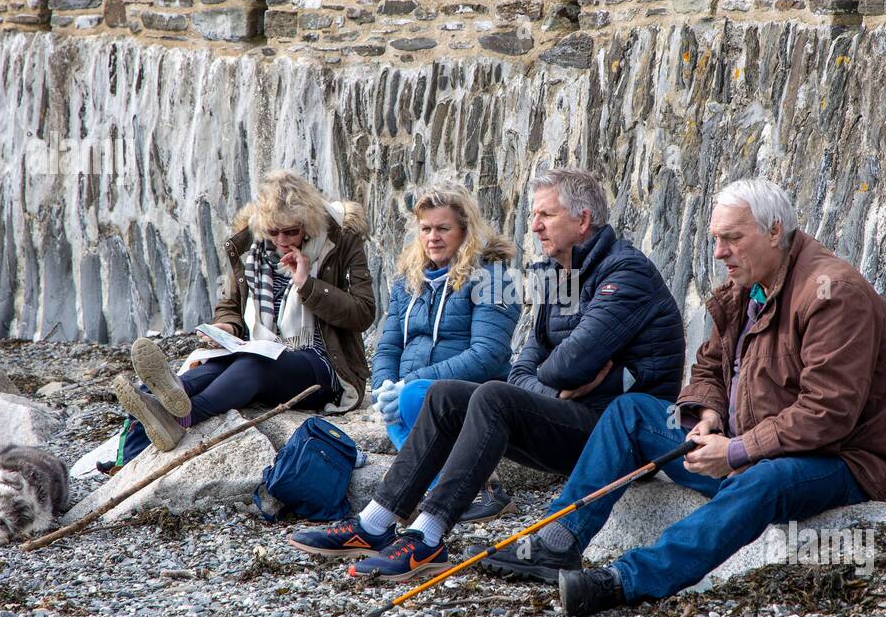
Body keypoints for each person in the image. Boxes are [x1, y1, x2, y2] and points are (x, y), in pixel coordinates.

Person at [482, 177, 886, 616]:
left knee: (761, 480)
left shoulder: (832, 293)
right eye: (715, 239)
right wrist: (708, 415)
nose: (720, 252)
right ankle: (560, 540)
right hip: (746, 441)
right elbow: (708, 368)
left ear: (775, 231)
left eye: (732, 239)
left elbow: (827, 414)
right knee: (631, 411)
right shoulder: (749, 285)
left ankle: (627, 579)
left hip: (840, 461)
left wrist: (737, 451)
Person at [288, 167, 685, 580]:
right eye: (534, 215)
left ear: (582, 220)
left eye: (545, 216)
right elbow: (527, 368)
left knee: (493, 398)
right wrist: (558, 386)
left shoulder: (624, 273)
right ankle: (373, 521)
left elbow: (565, 364)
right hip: (572, 416)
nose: (534, 226)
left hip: (618, 434)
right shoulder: (558, 274)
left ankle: (427, 536)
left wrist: (561, 377)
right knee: (445, 396)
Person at [107, 170, 375, 471]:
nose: (281, 240)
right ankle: (126, 460)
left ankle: (185, 416)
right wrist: (226, 326)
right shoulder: (252, 247)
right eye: (273, 232)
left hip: (323, 364)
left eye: (291, 232)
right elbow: (231, 305)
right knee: (176, 382)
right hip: (257, 348)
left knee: (253, 365)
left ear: (309, 224)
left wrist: (307, 285)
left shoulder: (340, 243)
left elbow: (363, 313)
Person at [366, 181, 521, 519]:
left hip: (476, 396)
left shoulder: (493, 279)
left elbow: (488, 354)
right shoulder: (407, 282)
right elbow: (389, 345)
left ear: (465, 231)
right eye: (426, 228)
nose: (432, 236)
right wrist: (383, 386)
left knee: (411, 398)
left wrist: (411, 384)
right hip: (414, 391)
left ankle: (485, 489)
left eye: (442, 228)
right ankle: (447, 494)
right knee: (394, 405)